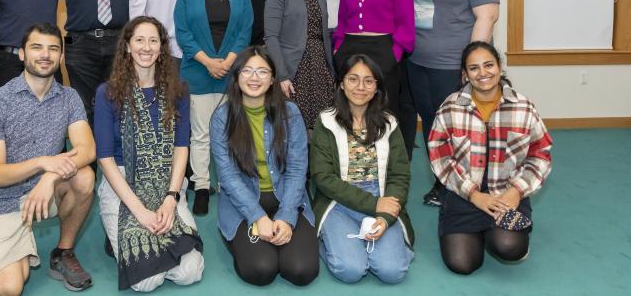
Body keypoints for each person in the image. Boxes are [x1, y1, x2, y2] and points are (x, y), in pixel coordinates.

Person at [0, 23, 96, 295]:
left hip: (47, 192)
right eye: (37, 47)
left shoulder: (69, 97)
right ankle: (18, 245)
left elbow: (87, 149)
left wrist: (50, 176)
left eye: (53, 49)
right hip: (4, 199)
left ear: (61, 57)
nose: (45, 55)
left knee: (85, 176)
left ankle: (63, 252)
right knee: (10, 288)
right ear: (21, 54)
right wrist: (43, 162)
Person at [94, 17, 204, 291]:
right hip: (123, 180)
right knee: (146, 281)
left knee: (190, 272)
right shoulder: (107, 93)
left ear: (161, 48)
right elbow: (105, 158)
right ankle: (119, 232)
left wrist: (170, 199)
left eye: (153, 40)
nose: (146, 47)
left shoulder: (178, 90)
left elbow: (181, 148)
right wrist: (140, 212)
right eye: (139, 40)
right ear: (127, 47)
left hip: (166, 180)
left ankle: (142, 238)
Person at [429, 41, 552, 275]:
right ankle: (470, 227)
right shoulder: (450, 108)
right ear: (465, 75)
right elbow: (439, 155)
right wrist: (473, 195)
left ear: (499, 67)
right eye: (474, 68)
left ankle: (496, 234)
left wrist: (517, 191)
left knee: (509, 247)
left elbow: (540, 153)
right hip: (464, 194)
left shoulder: (523, 107)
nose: (482, 73)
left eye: (488, 65)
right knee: (462, 264)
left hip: (506, 194)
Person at [409, 0, 500, 206]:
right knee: (432, 123)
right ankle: (441, 179)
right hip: (417, 61)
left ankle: (462, 184)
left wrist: (471, 65)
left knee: (456, 126)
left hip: (451, 64)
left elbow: (486, 18)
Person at [210, 47, 319, 286]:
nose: (254, 77)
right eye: (247, 71)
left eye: (262, 71)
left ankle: (285, 228)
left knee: (300, 270)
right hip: (244, 201)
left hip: (286, 196)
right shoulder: (222, 118)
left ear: (272, 79)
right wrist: (257, 216)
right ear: (237, 77)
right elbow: (227, 177)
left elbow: (298, 169)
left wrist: (288, 216)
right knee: (261, 270)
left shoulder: (290, 113)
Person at [311, 54, 414, 284]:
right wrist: (372, 204)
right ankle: (329, 241)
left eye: (369, 81)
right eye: (353, 79)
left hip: (382, 197)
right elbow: (323, 177)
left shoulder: (390, 123)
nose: (360, 87)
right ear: (341, 84)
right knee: (350, 271)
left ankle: (375, 247)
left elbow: (399, 175)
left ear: (377, 88)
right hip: (339, 200)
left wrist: (386, 216)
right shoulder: (326, 121)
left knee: (392, 272)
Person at [174, 0, 253, 215]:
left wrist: (228, 63)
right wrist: (208, 62)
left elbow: (245, 31)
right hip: (197, 73)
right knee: (201, 134)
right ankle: (203, 187)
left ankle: (231, 185)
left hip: (232, 74)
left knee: (232, 132)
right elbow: (183, 34)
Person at [264, 0, 335, 130]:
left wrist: (331, 72)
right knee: (294, 129)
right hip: (293, 70)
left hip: (320, 67)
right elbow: (270, 37)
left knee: (323, 128)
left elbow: (323, 36)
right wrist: (282, 75)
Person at [379, 0, 429, 159]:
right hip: (376, 35)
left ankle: (404, 157)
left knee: (407, 102)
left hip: (407, 35)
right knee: (382, 100)